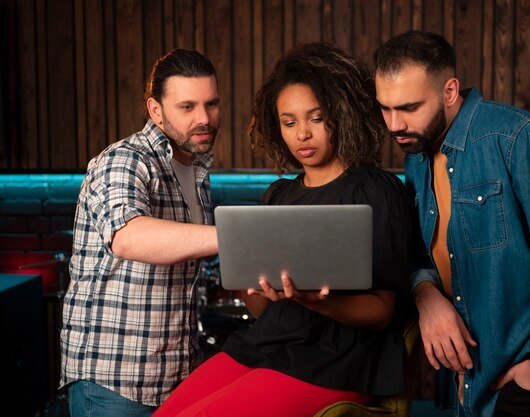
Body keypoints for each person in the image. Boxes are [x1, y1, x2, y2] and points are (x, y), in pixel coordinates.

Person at [153, 42, 414, 417]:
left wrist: (317, 300)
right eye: (289, 122)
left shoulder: (375, 190)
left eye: (316, 118)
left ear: (343, 114)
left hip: (337, 362)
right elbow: (267, 311)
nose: (302, 135)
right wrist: (243, 281)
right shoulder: (279, 195)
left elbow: (382, 312)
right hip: (264, 347)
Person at [373, 30, 530, 417]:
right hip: (471, 382)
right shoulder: (417, 156)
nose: (394, 124)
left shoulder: (519, 138)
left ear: (450, 91)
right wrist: (425, 294)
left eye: (408, 107)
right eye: (384, 109)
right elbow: (418, 249)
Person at [60, 49, 222, 417]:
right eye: (187, 107)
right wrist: (237, 238)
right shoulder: (124, 160)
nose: (204, 118)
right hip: (114, 384)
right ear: (155, 110)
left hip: (176, 379)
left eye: (211, 104)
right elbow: (128, 236)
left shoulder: (197, 174)